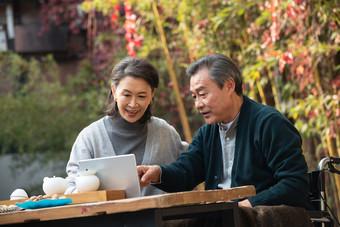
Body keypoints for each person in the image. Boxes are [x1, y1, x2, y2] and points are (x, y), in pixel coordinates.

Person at [137, 53, 313, 209]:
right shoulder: (207, 133)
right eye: (194, 97)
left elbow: (295, 184)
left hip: (259, 218)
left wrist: (245, 206)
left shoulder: (269, 124)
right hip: (221, 217)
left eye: (203, 94)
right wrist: (157, 173)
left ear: (229, 86)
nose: (198, 104)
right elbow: (185, 172)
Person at [65, 57, 188, 196]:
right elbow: (71, 189)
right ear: (114, 91)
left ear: (152, 95)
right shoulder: (90, 138)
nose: (133, 104)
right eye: (127, 95)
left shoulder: (165, 133)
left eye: (141, 96)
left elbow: (188, 172)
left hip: (159, 218)